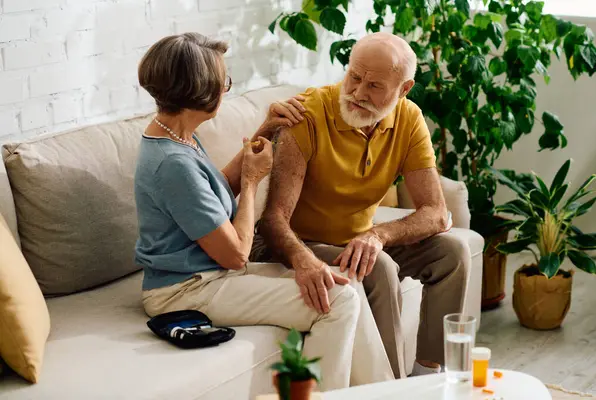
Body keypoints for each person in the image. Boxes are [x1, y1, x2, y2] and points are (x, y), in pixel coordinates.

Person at [133, 32, 394, 391]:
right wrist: (254, 182)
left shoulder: (176, 137)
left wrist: (267, 129)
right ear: (200, 91)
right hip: (185, 290)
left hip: (206, 277)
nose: (225, 89)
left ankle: (388, 393)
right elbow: (237, 254)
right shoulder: (172, 163)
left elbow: (213, 192)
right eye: (223, 81)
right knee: (336, 302)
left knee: (340, 282)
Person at [254, 32, 471, 379]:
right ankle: (392, 389)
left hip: (355, 241)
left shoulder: (409, 119)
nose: (357, 93)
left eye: (374, 86)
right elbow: (274, 220)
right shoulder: (308, 114)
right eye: (354, 77)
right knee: (378, 268)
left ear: (403, 89)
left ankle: (427, 376)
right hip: (297, 244)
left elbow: (435, 212)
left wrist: (378, 235)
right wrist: (309, 259)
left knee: (452, 254)